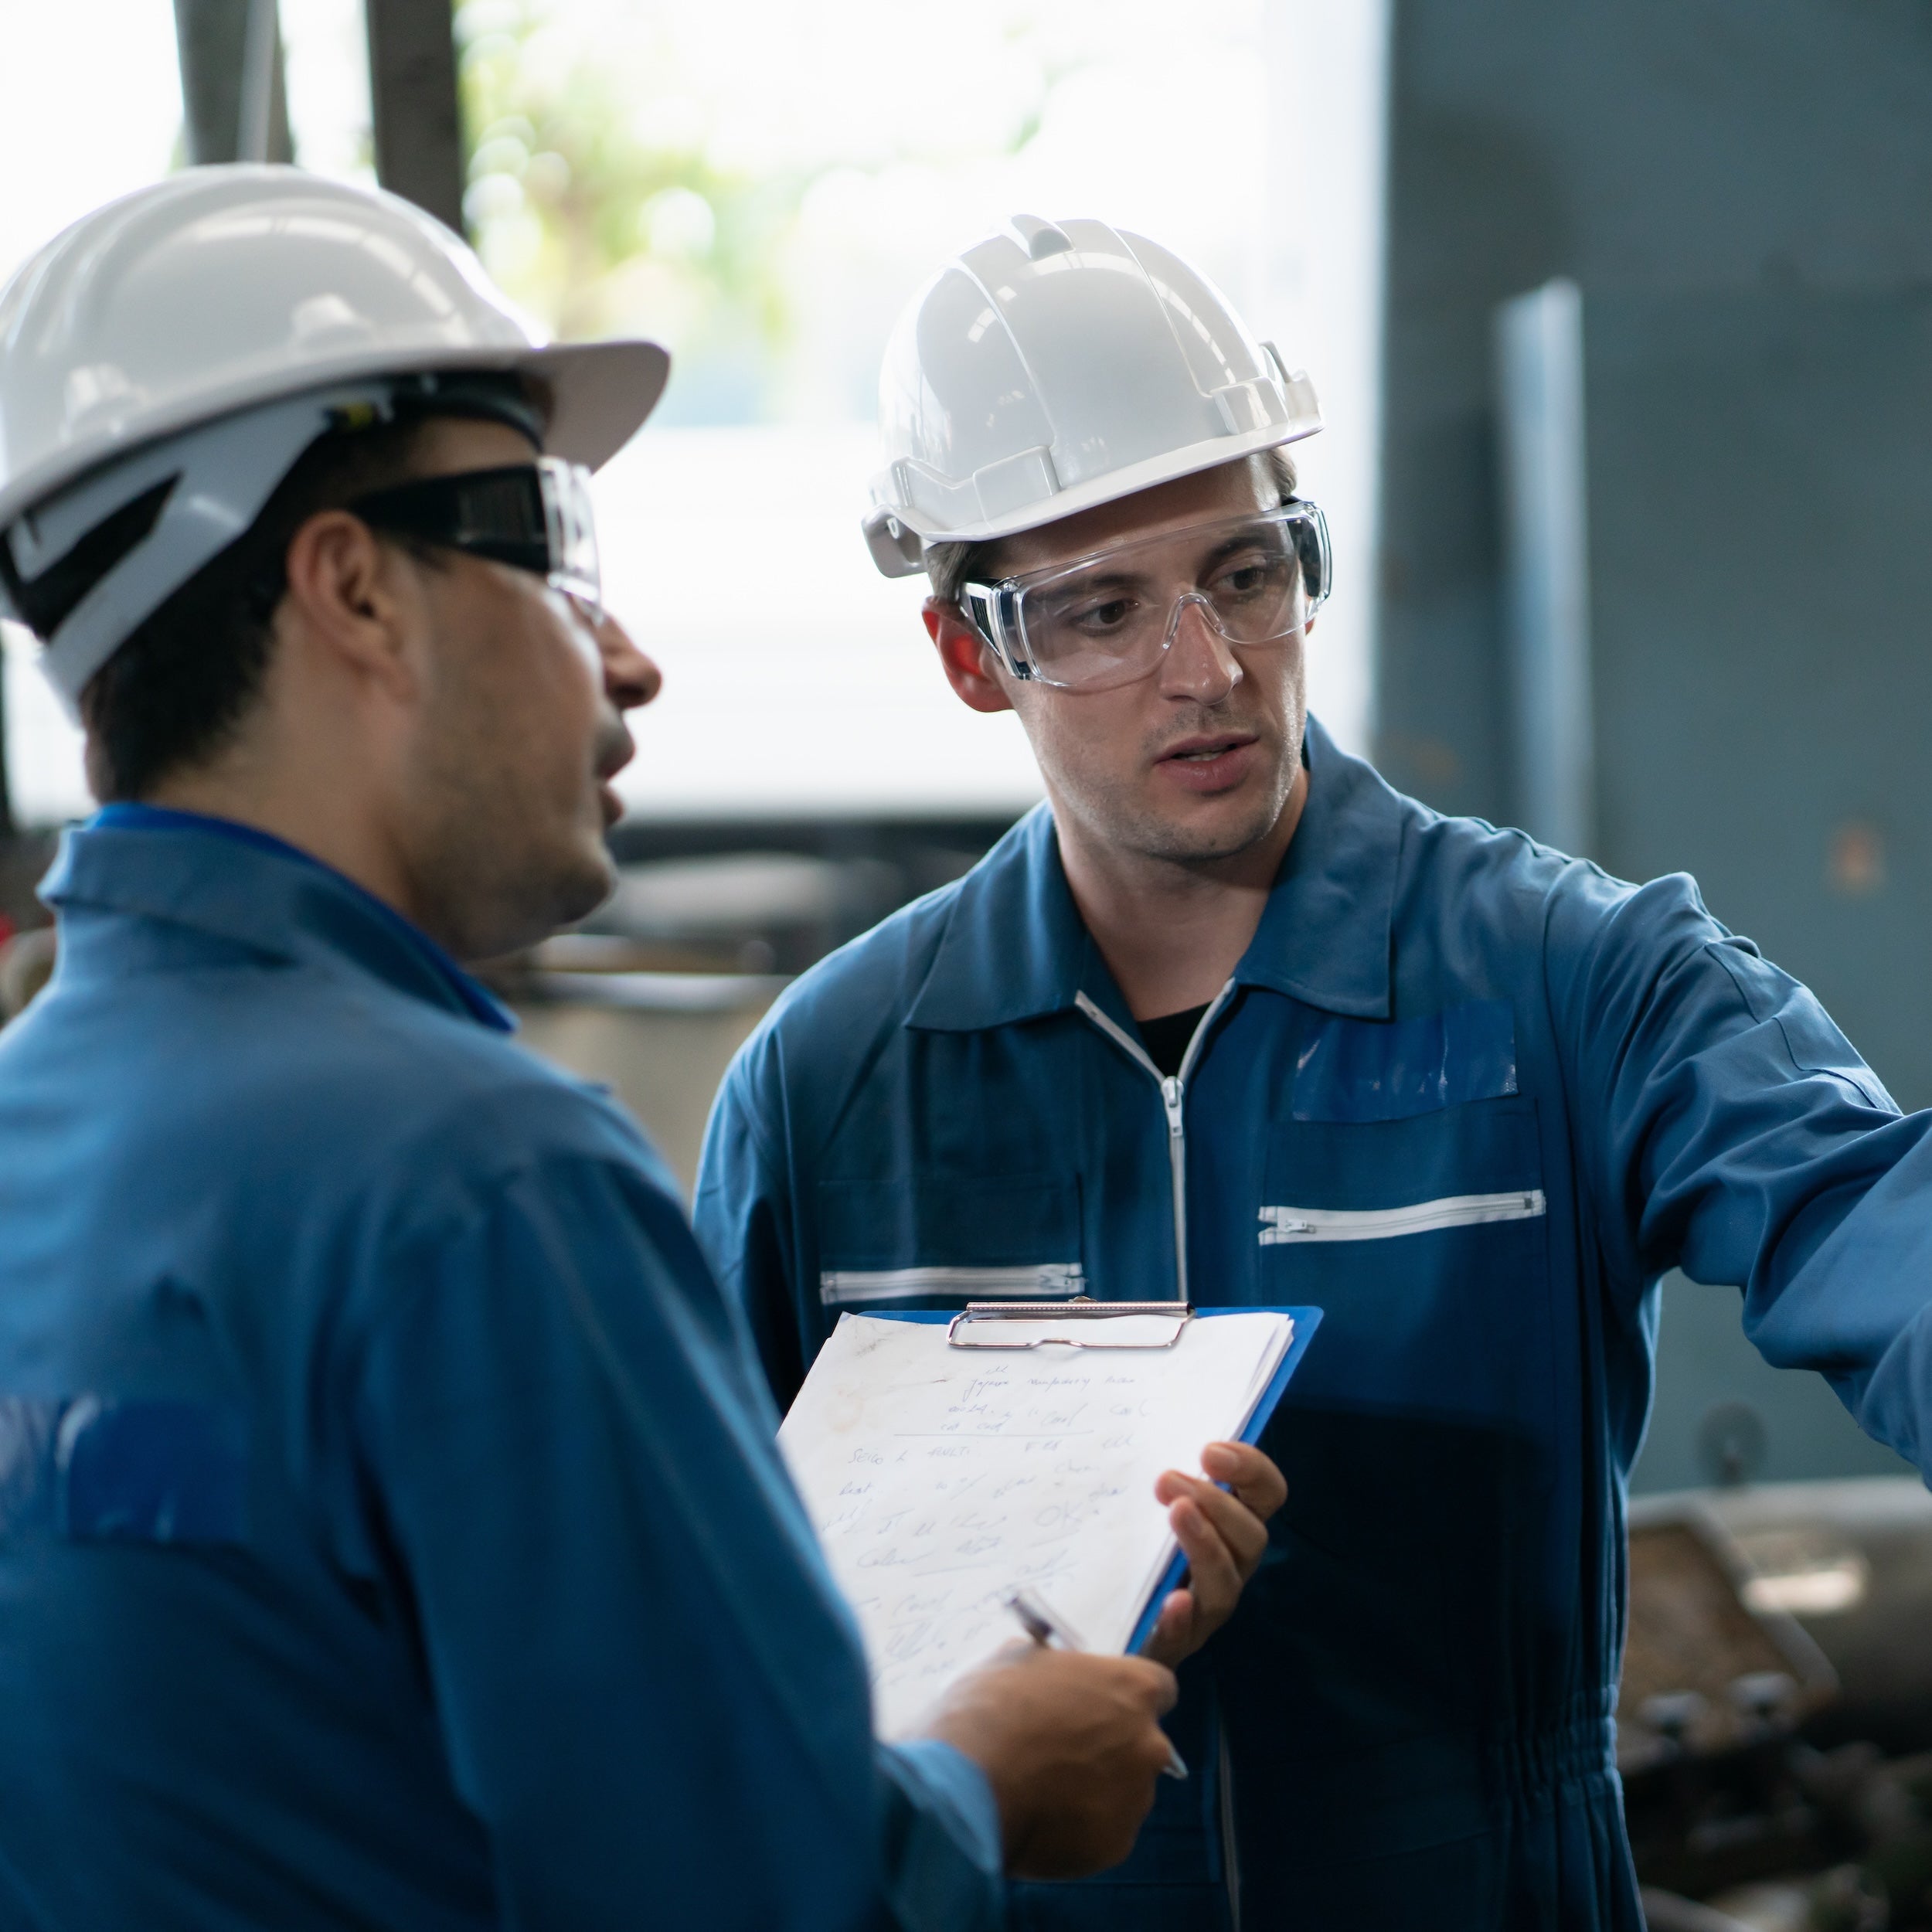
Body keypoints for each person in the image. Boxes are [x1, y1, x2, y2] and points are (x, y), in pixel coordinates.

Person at [0, 170, 1274, 1931]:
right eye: (555, 543)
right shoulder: (476, 1186)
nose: (632, 662)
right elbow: (728, 1890)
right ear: (355, 589)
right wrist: (983, 1785)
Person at [692, 214, 1932, 1932]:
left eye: (1246, 572)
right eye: (1104, 611)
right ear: (974, 656)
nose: (1207, 670)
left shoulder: (1571, 979)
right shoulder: (830, 1085)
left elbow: (1865, 1218)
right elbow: (686, 1609)